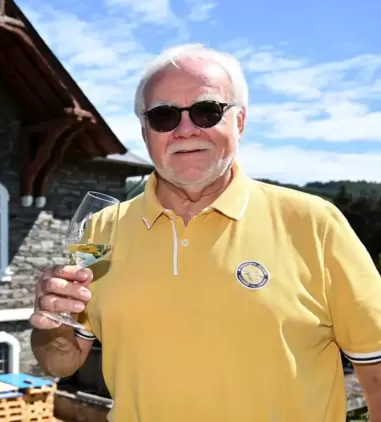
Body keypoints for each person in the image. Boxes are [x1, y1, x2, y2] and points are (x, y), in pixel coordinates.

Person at [29, 44, 381, 421]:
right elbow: (60, 363)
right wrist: (50, 327)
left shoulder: (314, 223)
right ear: (145, 130)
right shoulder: (101, 231)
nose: (185, 130)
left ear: (240, 121)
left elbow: (375, 373)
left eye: (206, 111)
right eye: (164, 116)